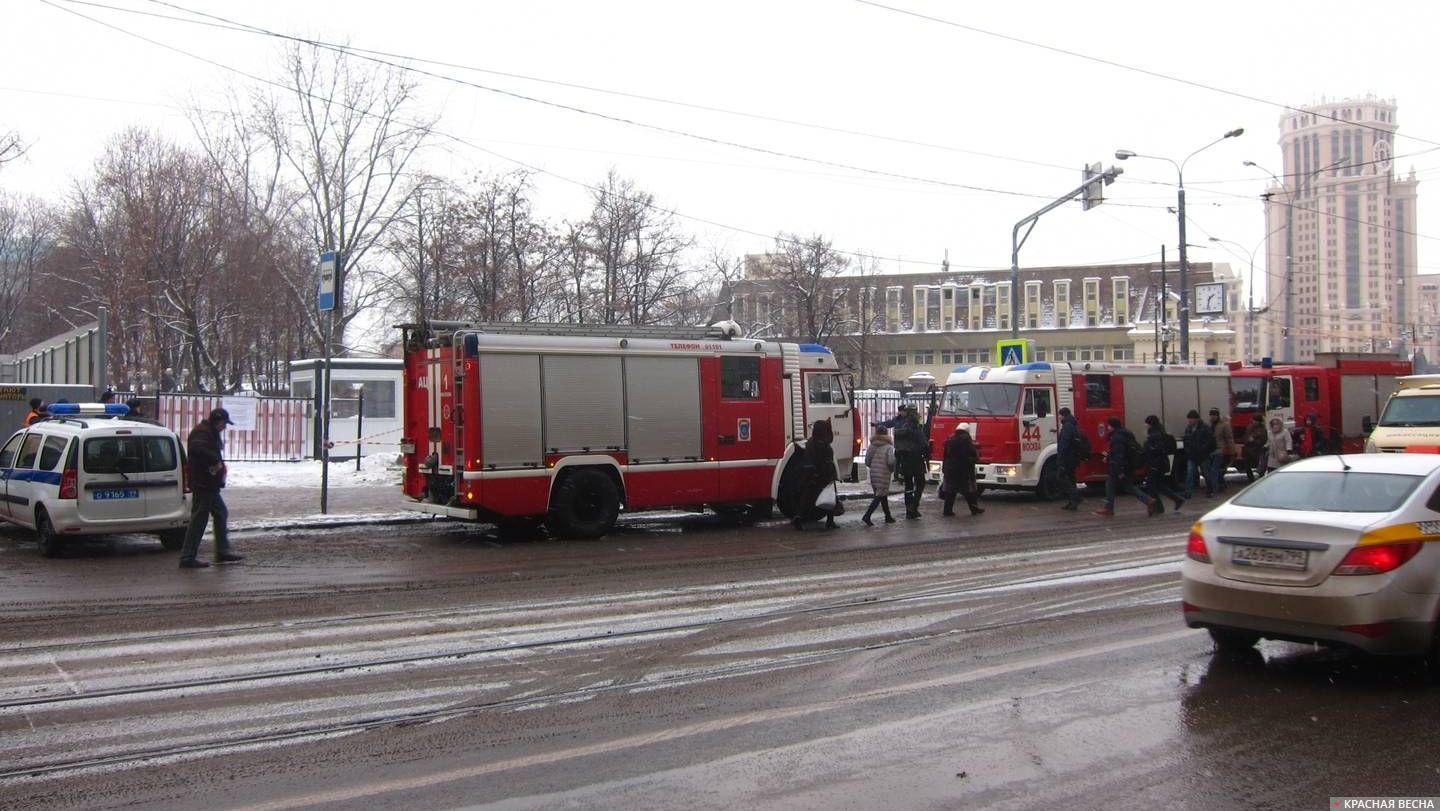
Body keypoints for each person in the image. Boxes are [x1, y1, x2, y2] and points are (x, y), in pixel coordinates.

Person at [179, 408, 243, 568]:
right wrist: (214, 461)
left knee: (221, 513)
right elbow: (196, 448)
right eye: (224, 424)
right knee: (199, 519)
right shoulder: (202, 433)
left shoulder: (208, 432)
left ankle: (222, 551)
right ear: (218, 421)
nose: (225, 427)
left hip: (209, 483)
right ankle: (187, 557)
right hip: (203, 483)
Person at [1094, 417, 1150, 517]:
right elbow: (1120, 452)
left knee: (1110, 485)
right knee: (1128, 487)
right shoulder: (1125, 434)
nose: (1107, 427)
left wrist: (1119, 471)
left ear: (1112, 426)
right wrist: (1109, 457)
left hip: (1119, 466)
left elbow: (1119, 454)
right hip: (1127, 464)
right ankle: (1148, 501)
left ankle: (1109, 508)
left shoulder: (1117, 438)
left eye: (1109, 425)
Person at [792, 419, 839, 530]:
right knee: (829, 496)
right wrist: (831, 475)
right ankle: (830, 520)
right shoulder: (825, 446)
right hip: (823, 476)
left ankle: (798, 517)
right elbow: (827, 463)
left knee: (807, 497)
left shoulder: (810, 442)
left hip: (810, 475)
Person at [1140, 415, 1186, 515]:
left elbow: (1157, 449)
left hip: (1155, 464)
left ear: (1150, 424)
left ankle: (1159, 507)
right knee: (1158, 485)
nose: (1145, 425)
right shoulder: (1159, 432)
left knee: (1150, 486)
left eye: (1146, 423)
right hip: (1160, 463)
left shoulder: (1154, 435)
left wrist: (1147, 446)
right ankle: (1177, 499)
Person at [891, 404, 929, 519]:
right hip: (916, 459)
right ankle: (914, 506)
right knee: (920, 484)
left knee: (908, 486)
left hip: (905, 459)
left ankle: (909, 509)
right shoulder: (916, 428)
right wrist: (927, 455)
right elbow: (924, 444)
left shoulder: (902, 426)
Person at [941, 426, 983, 517]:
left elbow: (945, 456)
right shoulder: (966, 440)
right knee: (969, 491)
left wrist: (944, 468)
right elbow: (970, 454)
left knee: (951, 491)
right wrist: (974, 459)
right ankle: (974, 509)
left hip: (951, 469)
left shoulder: (950, 439)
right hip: (964, 470)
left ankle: (947, 511)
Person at [861, 425, 897, 525]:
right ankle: (867, 516)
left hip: (873, 473)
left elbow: (867, 461)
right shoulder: (889, 447)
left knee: (881, 495)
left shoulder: (872, 446)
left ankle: (888, 516)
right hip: (884, 473)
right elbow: (891, 461)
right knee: (879, 495)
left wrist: (873, 467)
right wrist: (891, 470)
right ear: (886, 433)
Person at [1182, 409, 1218, 498]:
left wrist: (1204, 450)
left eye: (1191, 419)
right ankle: (1188, 492)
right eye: (1189, 419)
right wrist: (1187, 450)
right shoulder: (1189, 428)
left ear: (1196, 419)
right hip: (1192, 455)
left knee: (1206, 473)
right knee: (1190, 473)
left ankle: (1210, 489)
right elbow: (1186, 440)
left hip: (1203, 455)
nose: (1189, 421)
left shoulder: (1204, 428)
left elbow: (1211, 441)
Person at [1055, 406, 1085, 511]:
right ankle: (1072, 502)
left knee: (1061, 478)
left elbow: (1064, 444)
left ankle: (1075, 497)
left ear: (1063, 415)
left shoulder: (1067, 427)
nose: (1059, 417)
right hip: (1072, 457)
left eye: (1059, 415)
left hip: (1067, 458)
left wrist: (1061, 460)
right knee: (1071, 479)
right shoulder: (1072, 425)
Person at [1209, 407, 1236, 494]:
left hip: (1221, 450)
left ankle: (1214, 489)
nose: (1212, 417)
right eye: (1211, 415)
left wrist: (1232, 452)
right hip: (1211, 450)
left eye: (1214, 415)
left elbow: (1229, 439)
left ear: (1217, 415)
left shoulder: (1224, 425)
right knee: (1217, 470)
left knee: (1214, 469)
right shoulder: (1210, 426)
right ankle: (1222, 485)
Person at [1239, 418, 1267, 483]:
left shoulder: (1262, 429)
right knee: (1247, 466)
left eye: (1255, 420)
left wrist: (1254, 441)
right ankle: (1250, 479)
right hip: (1247, 449)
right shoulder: (1249, 427)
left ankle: (1261, 479)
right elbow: (1245, 436)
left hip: (1257, 450)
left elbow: (1264, 440)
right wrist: (1246, 441)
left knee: (1260, 466)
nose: (1254, 421)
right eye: (1253, 420)